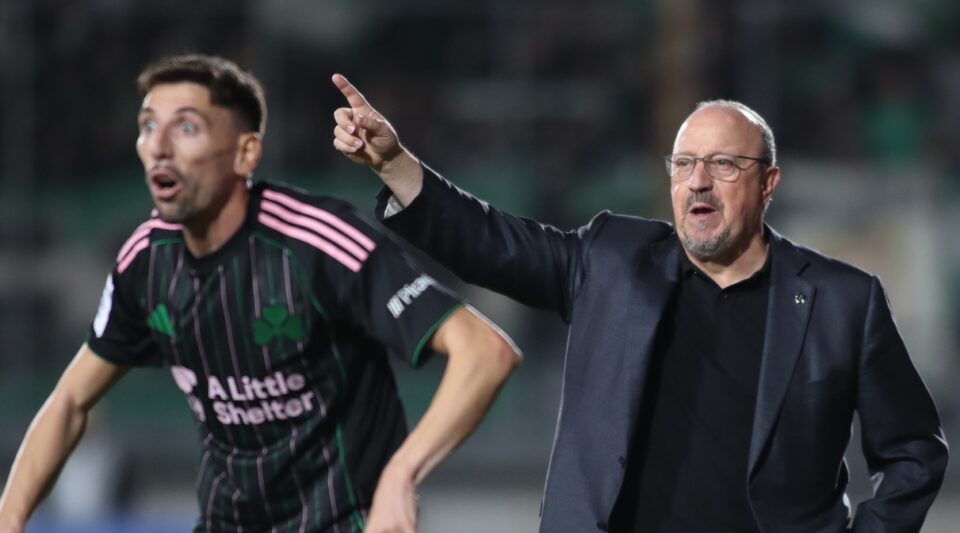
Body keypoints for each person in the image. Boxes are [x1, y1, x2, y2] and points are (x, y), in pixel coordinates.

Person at [330, 74, 948, 532]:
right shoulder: (612, 260)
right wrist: (395, 165)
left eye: (724, 164)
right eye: (685, 164)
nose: (698, 180)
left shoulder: (842, 301)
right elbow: (493, 243)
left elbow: (914, 452)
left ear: (768, 183)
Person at [0, 55, 521, 533]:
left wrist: (401, 475)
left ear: (245, 152)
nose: (158, 146)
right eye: (148, 126)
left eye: (186, 127)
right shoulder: (145, 260)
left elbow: (485, 351)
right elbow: (70, 401)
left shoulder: (319, 242)